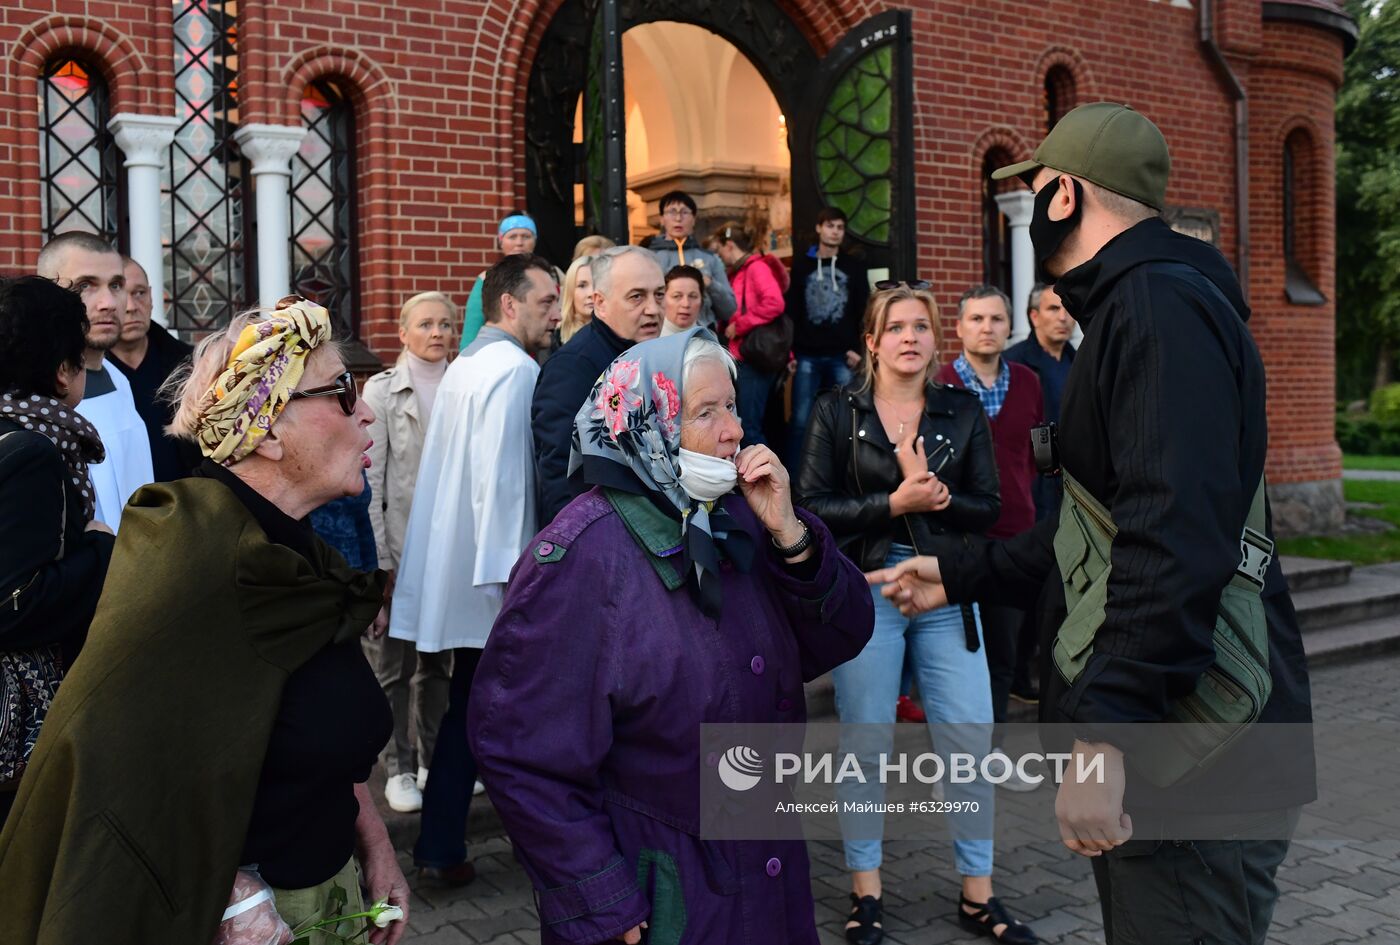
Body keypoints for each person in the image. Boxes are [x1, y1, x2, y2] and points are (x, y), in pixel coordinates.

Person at [870, 102, 1315, 945]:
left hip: (1192, 752)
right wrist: (962, 572)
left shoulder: (1154, 307)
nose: (1033, 208)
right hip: (1188, 739)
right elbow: (1091, 525)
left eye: (1036, 188)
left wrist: (1108, 735)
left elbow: (1171, 535)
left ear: (1067, 196)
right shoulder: (1141, 305)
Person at [0, 297, 409, 945]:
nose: (365, 411)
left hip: (326, 883)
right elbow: (117, 756)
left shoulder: (294, 546)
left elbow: (308, 726)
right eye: (342, 390)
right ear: (268, 428)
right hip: (248, 913)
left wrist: (375, 843)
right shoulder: (194, 553)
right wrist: (230, 898)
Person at [469, 328, 875, 944]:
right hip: (665, 896)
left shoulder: (740, 516)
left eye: (732, 407)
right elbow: (521, 751)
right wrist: (600, 897)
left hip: (764, 867)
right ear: (646, 422)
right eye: (705, 413)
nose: (735, 430)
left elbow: (842, 633)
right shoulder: (584, 557)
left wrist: (794, 538)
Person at [795, 284, 1037, 945]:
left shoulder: (961, 412)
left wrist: (938, 499)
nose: (909, 336)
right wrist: (893, 503)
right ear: (870, 341)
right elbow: (811, 506)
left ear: (936, 340)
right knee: (865, 741)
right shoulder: (835, 410)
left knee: (968, 739)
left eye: (921, 327)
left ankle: (978, 893)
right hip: (868, 591)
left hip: (947, 590)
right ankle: (866, 890)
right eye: (895, 326)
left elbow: (990, 507)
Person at [390, 254, 560, 885]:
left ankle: (440, 846)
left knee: (471, 708)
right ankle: (523, 842)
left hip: (461, 570)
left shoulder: (467, 365)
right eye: (545, 300)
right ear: (508, 304)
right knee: (507, 717)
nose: (555, 312)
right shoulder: (514, 370)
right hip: (494, 580)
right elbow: (504, 484)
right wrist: (517, 579)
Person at [0, 276, 115, 828]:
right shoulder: (33, 450)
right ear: (62, 370)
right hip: (15, 724)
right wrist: (100, 547)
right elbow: (17, 602)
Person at [936, 284, 1042, 783]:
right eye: (976, 319)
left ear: (1010, 327)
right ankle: (951, 765)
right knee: (951, 662)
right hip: (953, 541)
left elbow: (1042, 457)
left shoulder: (1029, 382)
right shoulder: (938, 385)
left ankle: (987, 762)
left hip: (1015, 540)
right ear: (959, 328)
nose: (987, 328)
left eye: (996, 319)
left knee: (1003, 657)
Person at [362, 291, 456, 813]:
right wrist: (381, 562)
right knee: (392, 667)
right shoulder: (382, 392)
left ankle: (432, 759)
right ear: (403, 333)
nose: (437, 332)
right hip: (401, 551)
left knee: (438, 664)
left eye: (445, 323)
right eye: (425, 324)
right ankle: (398, 767)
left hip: (446, 554)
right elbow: (370, 482)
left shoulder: (464, 386)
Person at [533, 244, 664, 525]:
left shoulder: (656, 354)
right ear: (600, 303)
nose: (653, 309)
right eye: (637, 297)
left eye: (659, 294)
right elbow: (561, 476)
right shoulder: (572, 367)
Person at [37, 233, 153, 530]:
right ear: (47, 293)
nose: (109, 303)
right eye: (85, 286)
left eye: (116, 285)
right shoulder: (32, 398)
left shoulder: (119, 380)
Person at [785, 207, 869, 467]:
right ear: (819, 228)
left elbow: (864, 311)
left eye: (840, 227)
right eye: (830, 226)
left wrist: (859, 349)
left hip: (842, 355)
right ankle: (795, 481)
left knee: (848, 417)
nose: (835, 231)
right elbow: (792, 312)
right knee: (800, 420)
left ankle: (847, 474)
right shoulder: (801, 266)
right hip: (806, 355)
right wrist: (790, 353)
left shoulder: (853, 267)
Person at [108, 256, 199, 481]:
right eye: (121, 294)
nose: (131, 307)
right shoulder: (85, 374)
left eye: (139, 293)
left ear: (151, 297)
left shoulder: (191, 365)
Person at [1004, 283, 1076, 521]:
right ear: (1034, 316)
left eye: (1068, 309)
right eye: (1053, 309)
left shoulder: (1080, 362)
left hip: (1075, 484)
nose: (1063, 317)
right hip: (1031, 485)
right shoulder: (1013, 364)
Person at [714, 221, 785, 447]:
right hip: (744, 356)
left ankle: (765, 477)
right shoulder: (740, 271)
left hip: (754, 356)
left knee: (750, 428)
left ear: (730, 245)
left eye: (720, 251)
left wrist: (740, 325)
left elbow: (775, 303)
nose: (719, 257)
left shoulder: (756, 268)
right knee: (747, 424)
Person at [646, 189, 736, 328]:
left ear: (694, 219)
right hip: (661, 336)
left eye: (684, 212)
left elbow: (729, 310)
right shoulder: (649, 260)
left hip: (704, 335)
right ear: (662, 219)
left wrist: (711, 285)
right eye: (671, 212)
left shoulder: (710, 259)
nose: (678, 218)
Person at [460, 212, 540, 349]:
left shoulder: (551, 275)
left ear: (535, 240)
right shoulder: (486, 279)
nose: (519, 243)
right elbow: (470, 334)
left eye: (526, 236)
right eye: (512, 236)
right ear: (501, 241)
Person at [558, 254, 596, 345]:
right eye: (582, 286)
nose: (591, 293)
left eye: (596, 284)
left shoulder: (621, 334)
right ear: (570, 291)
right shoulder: (553, 338)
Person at [660, 263, 704, 336]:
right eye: (677, 296)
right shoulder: (648, 340)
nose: (686, 304)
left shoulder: (711, 343)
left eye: (693, 296)